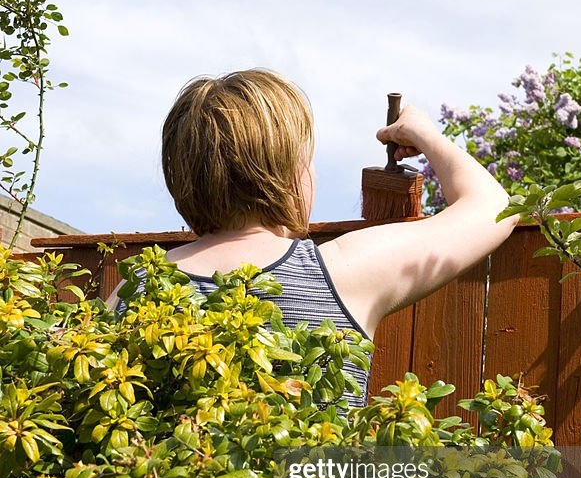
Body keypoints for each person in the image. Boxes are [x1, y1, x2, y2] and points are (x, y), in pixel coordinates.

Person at [105, 69, 520, 406]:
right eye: (308, 160)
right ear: (286, 174)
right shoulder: (339, 273)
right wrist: (427, 136)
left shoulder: (137, 285)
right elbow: (494, 207)